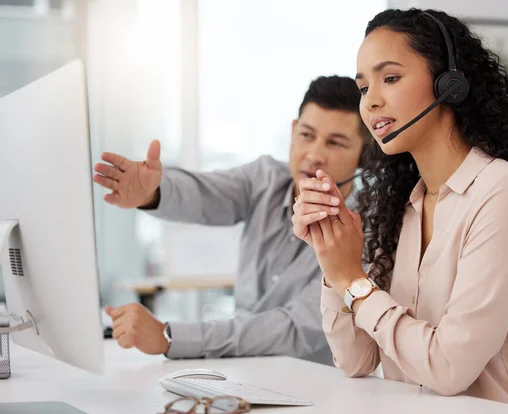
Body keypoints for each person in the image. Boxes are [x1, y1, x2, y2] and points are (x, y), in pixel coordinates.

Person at [292, 8, 508, 413]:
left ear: (448, 84)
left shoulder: (505, 191)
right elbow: (356, 361)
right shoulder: (402, 203)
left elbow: (449, 368)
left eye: (390, 78)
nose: (371, 102)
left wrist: (354, 280)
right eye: (363, 88)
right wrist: (333, 261)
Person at [93, 75, 371, 365]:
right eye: (306, 135)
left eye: (335, 143)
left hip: (313, 389)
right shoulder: (264, 179)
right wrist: (151, 193)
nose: (313, 155)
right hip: (238, 372)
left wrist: (170, 337)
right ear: (292, 131)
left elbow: (293, 328)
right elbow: (203, 194)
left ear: (364, 155)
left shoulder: (364, 230)